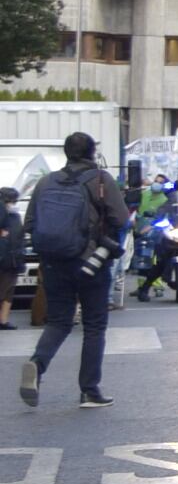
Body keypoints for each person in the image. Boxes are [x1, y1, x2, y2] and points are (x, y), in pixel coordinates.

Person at [21, 131, 131, 410]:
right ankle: (89, 390)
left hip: (53, 262)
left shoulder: (46, 181)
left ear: (66, 153)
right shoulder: (101, 180)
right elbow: (120, 219)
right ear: (92, 153)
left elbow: (30, 222)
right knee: (94, 325)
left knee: (58, 322)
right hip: (91, 262)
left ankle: (37, 364)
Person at [0, 185, 23, 332]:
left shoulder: (15, 216)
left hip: (13, 258)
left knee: (9, 291)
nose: (13, 204)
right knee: (4, 290)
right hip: (5, 258)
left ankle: (3, 320)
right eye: (11, 201)